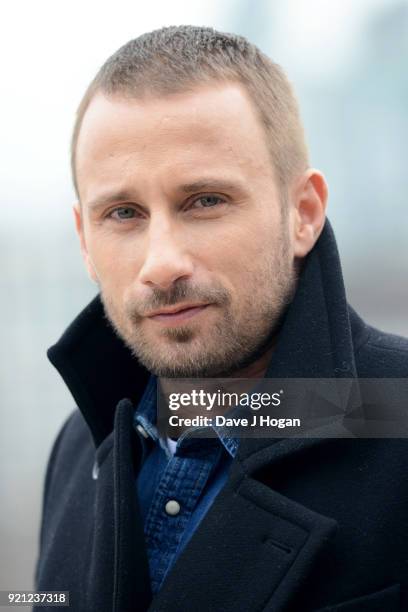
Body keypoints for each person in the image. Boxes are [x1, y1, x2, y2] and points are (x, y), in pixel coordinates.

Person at [34, 25, 408, 612]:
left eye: (205, 201)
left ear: (303, 213)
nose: (161, 265)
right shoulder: (79, 450)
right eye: (124, 213)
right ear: (85, 240)